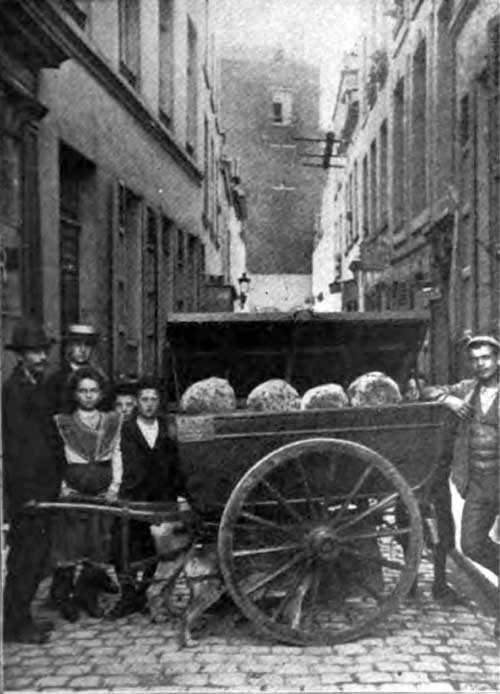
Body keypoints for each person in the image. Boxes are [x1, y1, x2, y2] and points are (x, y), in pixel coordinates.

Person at [423, 335, 499, 632]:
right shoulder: (466, 390)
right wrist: (448, 399)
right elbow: (427, 390)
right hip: (479, 482)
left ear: (498, 359)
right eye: (475, 359)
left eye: (486, 358)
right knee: (471, 544)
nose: (480, 364)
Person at [2, 318, 66, 643]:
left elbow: (50, 436)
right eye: (35, 352)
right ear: (20, 355)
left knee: (38, 556)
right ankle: (15, 624)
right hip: (28, 493)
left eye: (43, 351)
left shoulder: (38, 386)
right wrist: (26, 494)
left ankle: (20, 617)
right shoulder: (13, 392)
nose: (42, 358)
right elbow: (15, 449)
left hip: (45, 487)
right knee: (25, 558)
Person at [49, 367, 122, 621]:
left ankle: (87, 596)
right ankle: (63, 598)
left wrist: (114, 487)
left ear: (101, 394)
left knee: (97, 544)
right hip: (73, 489)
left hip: (101, 491)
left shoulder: (112, 420)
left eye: (93, 391)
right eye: (83, 391)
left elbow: (117, 455)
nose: (88, 396)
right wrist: (61, 487)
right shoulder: (63, 422)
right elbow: (57, 460)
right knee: (69, 545)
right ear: (75, 393)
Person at [108, 377, 182, 618]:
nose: (149, 404)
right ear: (137, 402)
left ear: (159, 403)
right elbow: (126, 463)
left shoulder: (167, 426)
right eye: (144, 400)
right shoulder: (127, 428)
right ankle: (127, 595)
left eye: (153, 400)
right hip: (134, 495)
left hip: (161, 495)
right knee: (122, 544)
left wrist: (177, 494)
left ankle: (143, 591)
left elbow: (174, 463)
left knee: (155, 548)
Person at [45, 323, 107, 414]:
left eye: (87, 345)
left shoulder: (100, 378)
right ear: (69, 347)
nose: (83, 350)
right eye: (78, 345)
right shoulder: (56, 380)